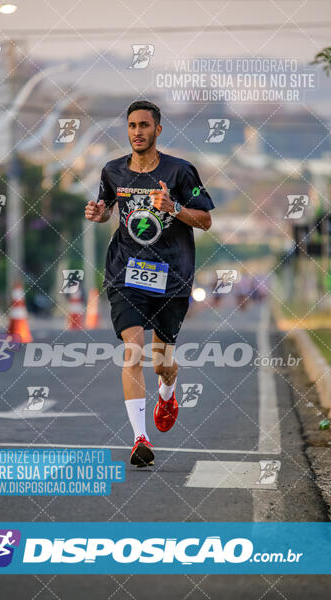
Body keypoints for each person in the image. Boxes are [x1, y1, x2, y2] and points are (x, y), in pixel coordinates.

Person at [85, 100, 215, 467]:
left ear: (158, 130)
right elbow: (108, 207)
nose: (137, 132)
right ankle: (140, 438)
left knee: (160, 363)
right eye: (131, 126)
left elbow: (205, 220)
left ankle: (168, 391)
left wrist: (173, 207)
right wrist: (99, 214)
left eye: (144, 125)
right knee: (133, 350)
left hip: (171, 276)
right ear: (126, 130)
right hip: (126, 271)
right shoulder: (112, 171)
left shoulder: (181, 172)